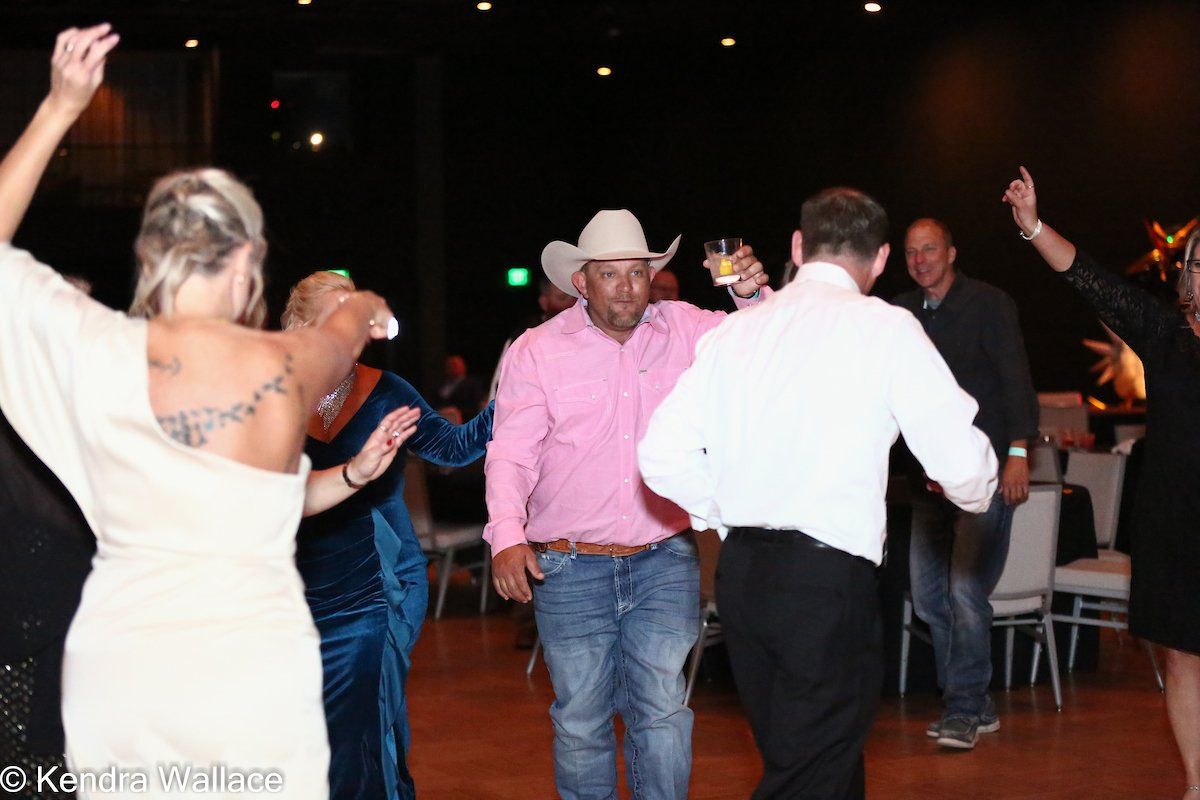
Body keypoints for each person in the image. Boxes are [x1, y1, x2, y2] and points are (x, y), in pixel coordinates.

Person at [0, 26, 399, 797]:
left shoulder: (90, 347)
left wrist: (60, 107)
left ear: (149, 258)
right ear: (249, 259)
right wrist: (367, 307)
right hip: (251, 672)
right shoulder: (284, 364)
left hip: (120, 669)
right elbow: (346, 329)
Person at [639, 188, 997, 799]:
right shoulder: (885, 327)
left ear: (799, 246)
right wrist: (982, 486)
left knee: (814, 758)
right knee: (809, 771)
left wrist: (729, 519)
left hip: (745, 577)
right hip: (825, 584)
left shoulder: (736, 333)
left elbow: (659, 456)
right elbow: (961, 464)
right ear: (882, 258)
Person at [486, 208, 769, 800]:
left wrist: (752, 292)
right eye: (609, 273)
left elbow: (765, 346)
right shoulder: (537, 351)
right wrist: (507, 535)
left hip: (663, 559)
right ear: (581, 282)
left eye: (637, 272)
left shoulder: (686, 328)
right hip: (567, 564)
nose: (626, 287)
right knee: (582, 721)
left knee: (663, 713)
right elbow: (511, 452)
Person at [1002, 166, 1200, 800]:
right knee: (1180, 656)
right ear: (1187, 276)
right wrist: (1033, 226)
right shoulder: (1165, 334)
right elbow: (1092, 281)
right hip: (1172, 519)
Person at [283, 271, 494, 800]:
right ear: (302, 325)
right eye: (337, 319)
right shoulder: (272, 391)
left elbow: (453, 448)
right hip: (285, 588)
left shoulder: (384, 390)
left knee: (363, 731)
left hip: (374, 584)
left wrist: (513, 398)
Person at [893, 218, 1039, 749]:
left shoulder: (990, 303)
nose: (920, 259)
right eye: (911, 252)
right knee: (931, 599)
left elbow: (1016, 378)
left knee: (963, 589)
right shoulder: (901, 313)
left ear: (951, 252)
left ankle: (961, 710)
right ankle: (975, 702)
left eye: (929, 249)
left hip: (985, 475)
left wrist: (1019, 453)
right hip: (926, 481)